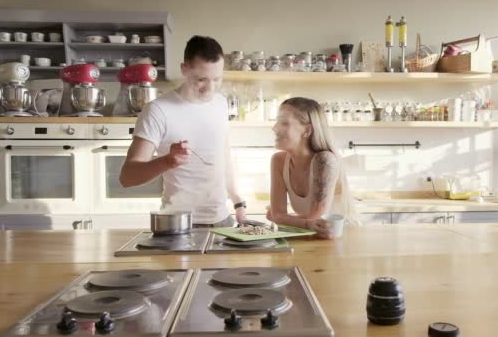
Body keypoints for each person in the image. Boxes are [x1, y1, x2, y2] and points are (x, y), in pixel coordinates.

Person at [120, 35, 246, 227]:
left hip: (223, 221)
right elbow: (127, 177)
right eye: (201, 79)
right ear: (184, 69)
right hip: (179, 224)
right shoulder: (158, 111)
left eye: (217, 79)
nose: (210, 88)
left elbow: (223, 154)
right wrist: (167, 161)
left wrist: (238, 202)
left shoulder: (220, 103)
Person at [266, 97, 356, 238]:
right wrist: (296, 221)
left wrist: (286, 219)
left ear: (307, 130)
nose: (275, 128)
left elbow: (317, 222)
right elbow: (279, 216)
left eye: (284, 122)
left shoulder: (325, 161)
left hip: (342, 238)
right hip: (311, 237)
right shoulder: (278, 161)